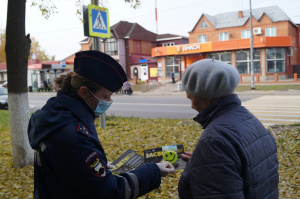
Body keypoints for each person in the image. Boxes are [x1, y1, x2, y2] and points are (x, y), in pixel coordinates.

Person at [27, 50, 175, 199]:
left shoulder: (56, 114)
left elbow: (70, 168)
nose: (108, 102)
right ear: (84, 92)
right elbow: (109, 191)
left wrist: (96, 167)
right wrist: (154, 171)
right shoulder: (75, 135)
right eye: (106, 96)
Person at [178, 58, 279, 198]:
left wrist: (211, 161)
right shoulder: (250, 120)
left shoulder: (215, 141)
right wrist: (202, 164)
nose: (192, 106)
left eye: (190, 98)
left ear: (206, 96)